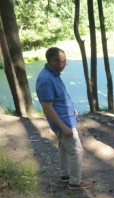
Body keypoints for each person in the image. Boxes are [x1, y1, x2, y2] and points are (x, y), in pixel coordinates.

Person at [36, 47, 91, 189]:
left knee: (64, 149)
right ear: (53, 61)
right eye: (63, 61)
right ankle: (75, 181)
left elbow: (58, 99)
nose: (65, 64)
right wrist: (64, 127)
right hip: (63, 123)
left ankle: (65, 175)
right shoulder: (46, 79)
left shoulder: (53, 74)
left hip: (66, 118)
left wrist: (71, 109)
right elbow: (47, 107)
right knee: (77, 150)